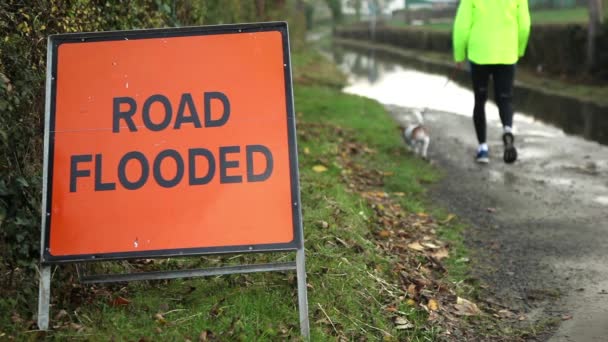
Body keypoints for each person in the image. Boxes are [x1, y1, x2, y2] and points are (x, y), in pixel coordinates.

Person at [452, 0, 531, 164]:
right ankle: (507, 129)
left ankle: (483, 149)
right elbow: (524, 25)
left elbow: (461, 27)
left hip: (479, 54)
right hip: (507, 53)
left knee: (480, 101)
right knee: (505, 98)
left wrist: (459, 54)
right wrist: (519, 49)